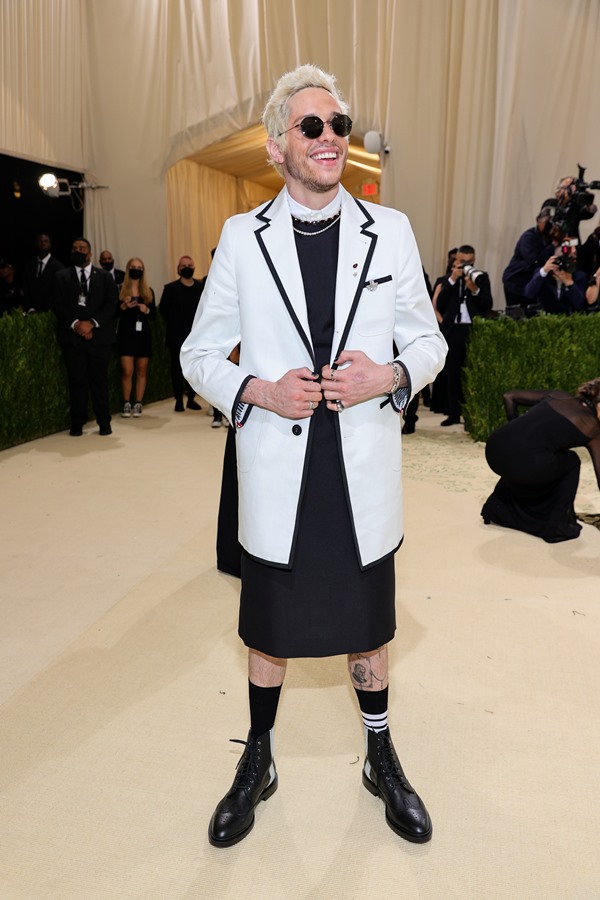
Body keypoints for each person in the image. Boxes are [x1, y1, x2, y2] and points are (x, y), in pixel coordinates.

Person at [181, 64, 447, 848]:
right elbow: (199, 354)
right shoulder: (240, 237)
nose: (332, 138)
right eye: (313, 127)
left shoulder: (389, 230)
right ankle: (257, 758)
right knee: (270, 626)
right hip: (276, 466)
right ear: (277, 147)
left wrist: (390, 375)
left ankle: (380, 756)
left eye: (340, 126)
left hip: (360, 463)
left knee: (369, 625)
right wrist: (258, 390)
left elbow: (426, 341)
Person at [481, 380, 600, 542]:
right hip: (526, 465)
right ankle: (555, 527)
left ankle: (497, 510)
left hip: (494, 451)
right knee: (571, 461)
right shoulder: (592, 427)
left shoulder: (559, 395)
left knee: (540, 454)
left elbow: (509, 396)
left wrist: (514, 428)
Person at [52, 237, 118, 436]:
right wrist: (76, 325)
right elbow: (58, 305)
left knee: (99, 381)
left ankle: (104, 423)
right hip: (72, 340)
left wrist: (91, 324)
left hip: (100, 339)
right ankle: (77, 424)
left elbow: (111, 305)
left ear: (90, 253)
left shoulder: (105, 277)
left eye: (81, 248)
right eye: (74, 248)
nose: (77, 251)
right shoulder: (61, 276)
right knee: (76, 381)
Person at [436, 245, 493, 426]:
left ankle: (471, 415)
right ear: (456, 260)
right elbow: (441, 305)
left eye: (469, 262)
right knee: (452, 373)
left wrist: (475, 289)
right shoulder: (447, 279)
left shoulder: (481, 278)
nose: (465, 265)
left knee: (471, 373)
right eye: (462, 261)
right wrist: (453, 279)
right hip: (453, 331)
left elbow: (487, 305)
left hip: (472, 331)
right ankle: (453, 413)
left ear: (474, 261)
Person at [158, 256, 203, 412]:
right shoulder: (170, 289)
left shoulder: (200, 288)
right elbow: (162, 310)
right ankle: (178, 400)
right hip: (176, 336)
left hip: (195, 337)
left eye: (190, 265)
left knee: (194, 369)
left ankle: (191, 398)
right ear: (178, 268)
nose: (187, 267)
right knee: (177, 369)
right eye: (183, 265)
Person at [116, 257, 156, 417]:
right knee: (127, 370)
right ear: (128, 269)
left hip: (143, 335)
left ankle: (138, 402)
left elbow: (154, 314)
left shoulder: (148, 290)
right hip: (126, 333)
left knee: (141, 369)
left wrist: (146, 309)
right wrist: (124, 306)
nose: (136, 269)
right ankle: (126, 402)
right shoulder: (119, 289)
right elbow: (112, 313)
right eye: (133, 267)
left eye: (139, 267)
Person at [502, 209, 554, 310]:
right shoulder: (528, 237)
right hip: (516, 281)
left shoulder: (551, 238)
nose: (549, 227)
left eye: (552, 224)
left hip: (533, 283)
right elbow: (534, 261)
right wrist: (553, 246)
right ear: (538, 221)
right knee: (517, 316)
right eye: (547, 222)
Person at [523, 238, 587, 315]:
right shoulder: (544, 273)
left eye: (571, 257)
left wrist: (570, 283)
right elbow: (528, 293)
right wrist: (544, 271)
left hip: (568, 320)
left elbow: (579, 305)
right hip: (545, 319)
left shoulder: (579, 276)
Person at [541, 175, 597, 248]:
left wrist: (586, 198)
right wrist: (565, 200)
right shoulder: (550, 203)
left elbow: (590, 211)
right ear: (558, 191)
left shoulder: (575, 207)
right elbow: (549, 217)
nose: (572, 191)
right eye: (569, 188)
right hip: (553, 247)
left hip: (572, 247)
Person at [21, 233, 64, 313]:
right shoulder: (29, 266)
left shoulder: (59, 267)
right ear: (35, 244)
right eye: (40, 241)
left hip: (50, 314)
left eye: (46, 241)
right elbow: (26, 289)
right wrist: (30, 309)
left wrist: (43, 312)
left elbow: (57, 293)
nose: (43, 243)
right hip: (30, 313)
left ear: (50, 244)